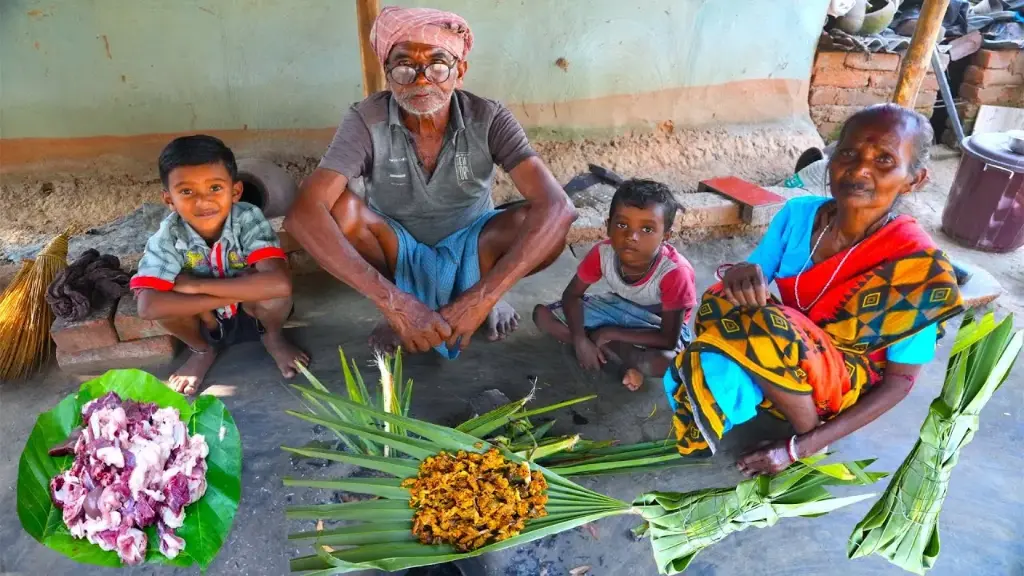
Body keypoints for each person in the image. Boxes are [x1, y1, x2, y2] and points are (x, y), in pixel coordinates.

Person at [667, 104, 963, 476]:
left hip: (844, 383)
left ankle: (810, 436)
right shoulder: (799, 214)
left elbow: (900, 383)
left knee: (764, 326)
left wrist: (796, 448)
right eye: (848, 153)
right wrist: (742, 274)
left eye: (884, 159)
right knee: (718, 301)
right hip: (785, 354)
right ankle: (768, 391)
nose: (859, 170)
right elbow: (752, 275)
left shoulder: (918, 265)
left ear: (914, 179)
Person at [284, 6, 575, 359]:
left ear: (460, 71)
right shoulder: (365, 119)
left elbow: (559, 206)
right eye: (405, 66)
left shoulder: (489, 116)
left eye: (438, 65)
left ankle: (481, 296)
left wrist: (484, 298)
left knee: (543, 221)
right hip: (395, 248)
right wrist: (392, 302)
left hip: (474, 244)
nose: (422, 80)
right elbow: (302, 215)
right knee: (341, 209)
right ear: (388, 73)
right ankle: (401, 304)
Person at [130, 135, 309, 394]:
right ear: (169, 200)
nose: (202, 202)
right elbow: (148, 307)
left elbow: (279, 285)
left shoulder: (248, 218)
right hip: (204, 320)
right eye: (186, 191)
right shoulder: (168, 236)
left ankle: (273, 337)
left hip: (254, 311)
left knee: (275, 296)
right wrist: (241, 288)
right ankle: (202, 350)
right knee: (167, 309)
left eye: (215, 188)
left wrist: (197, 286)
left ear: (235, 191)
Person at [533, 179, 696, 391]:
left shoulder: (675, 273)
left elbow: (667, 339)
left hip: (656, 324)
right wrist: (581, 340)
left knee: (665, 363)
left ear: (665, 237)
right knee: (542, 316)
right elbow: (572, 295)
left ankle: (608, 351)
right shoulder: (603, 254)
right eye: (622, 225)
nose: (631, 236)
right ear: (608, 226)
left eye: (647, 229)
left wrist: (609, 332)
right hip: (616, 306)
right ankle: (613, 358)